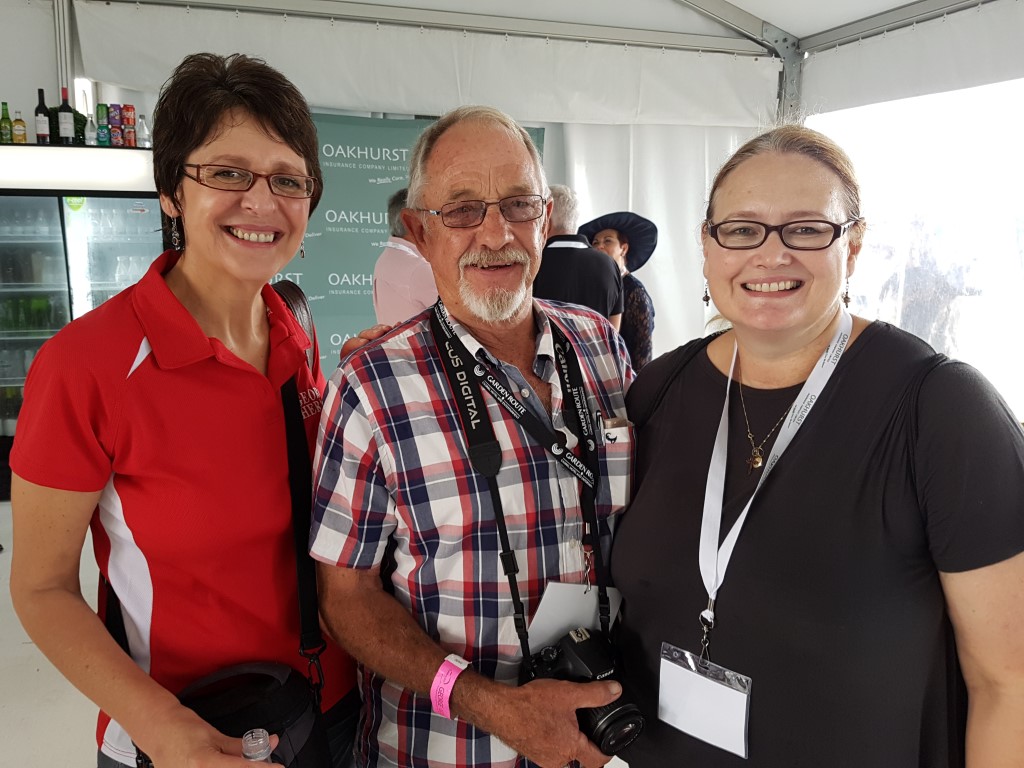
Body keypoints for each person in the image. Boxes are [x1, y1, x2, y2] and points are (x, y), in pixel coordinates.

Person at [611, 125, 1024, 767]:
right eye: (742, 229)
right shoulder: (661, 389)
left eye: (806, 229)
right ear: (708, 246)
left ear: (852, 247)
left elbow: (1008, 684)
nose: (770, 255)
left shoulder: (940, 410)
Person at [8, 53, 358, 768]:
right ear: (171, 190)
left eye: (288, 179)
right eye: (227, 173)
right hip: (192, 731)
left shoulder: (295, 328)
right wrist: (164, 730)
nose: (261, 202)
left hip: (333, 710)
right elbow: (42, 588)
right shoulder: (85, 366)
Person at [310, 105, 635, 768]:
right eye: (461, 210)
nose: (496, 233)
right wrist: (488, 705)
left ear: (546, 219)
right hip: (446, 751)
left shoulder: (601, 346)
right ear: (419, 232)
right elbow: (344, 603)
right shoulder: (371, 387)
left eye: (518, 205)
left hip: (600, 737)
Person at [532, 184, 623, 330]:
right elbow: (613, 332)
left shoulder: (533, 264)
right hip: (598, 345)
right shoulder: (610, 265)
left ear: (546, 221)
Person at [579, 213, 657, 370]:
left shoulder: (636, 293)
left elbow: (643, 353)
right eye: (595, 242)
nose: (599, 246)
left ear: (624, 248)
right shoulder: (590, 288)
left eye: (607, 241)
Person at [372, 187, 438, 325]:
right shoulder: (419, 268)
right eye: (432, 214)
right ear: (412, 223)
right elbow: (465, 320)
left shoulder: (387, 259)